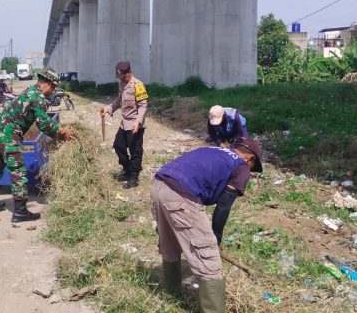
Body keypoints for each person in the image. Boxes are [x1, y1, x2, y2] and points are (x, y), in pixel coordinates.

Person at [150, 137, 263, 313]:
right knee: (208, 259)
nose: (250, 172)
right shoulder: (241, 167)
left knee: (170, 245)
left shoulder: (214, 150)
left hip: (159, 185)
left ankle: (171, 297)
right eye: (252, 167)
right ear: (250, 158)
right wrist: (215, 240)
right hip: (181, 194)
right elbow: (223, 206)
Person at [0, 68, 75, 222]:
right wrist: (62, 132)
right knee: (18, 171)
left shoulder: (30, 90)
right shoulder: (39, 97)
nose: (54, 90)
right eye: (54, 87)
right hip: (8, 136)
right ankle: (20, 211)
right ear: (48, 83)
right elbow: (44, 124)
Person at [99, 61, 148, 189]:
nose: (122, 79)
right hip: (124, 123)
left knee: (135, 151)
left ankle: (134, 177)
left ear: (129, 73)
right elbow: (118, 101)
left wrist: (138, 121)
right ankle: (127, 169)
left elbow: (143, 106)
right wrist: (108, 109)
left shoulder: (138, 85)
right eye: (120, 77)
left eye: (124, 77)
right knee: (118, 146)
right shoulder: (121, 84)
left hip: (135, 124)